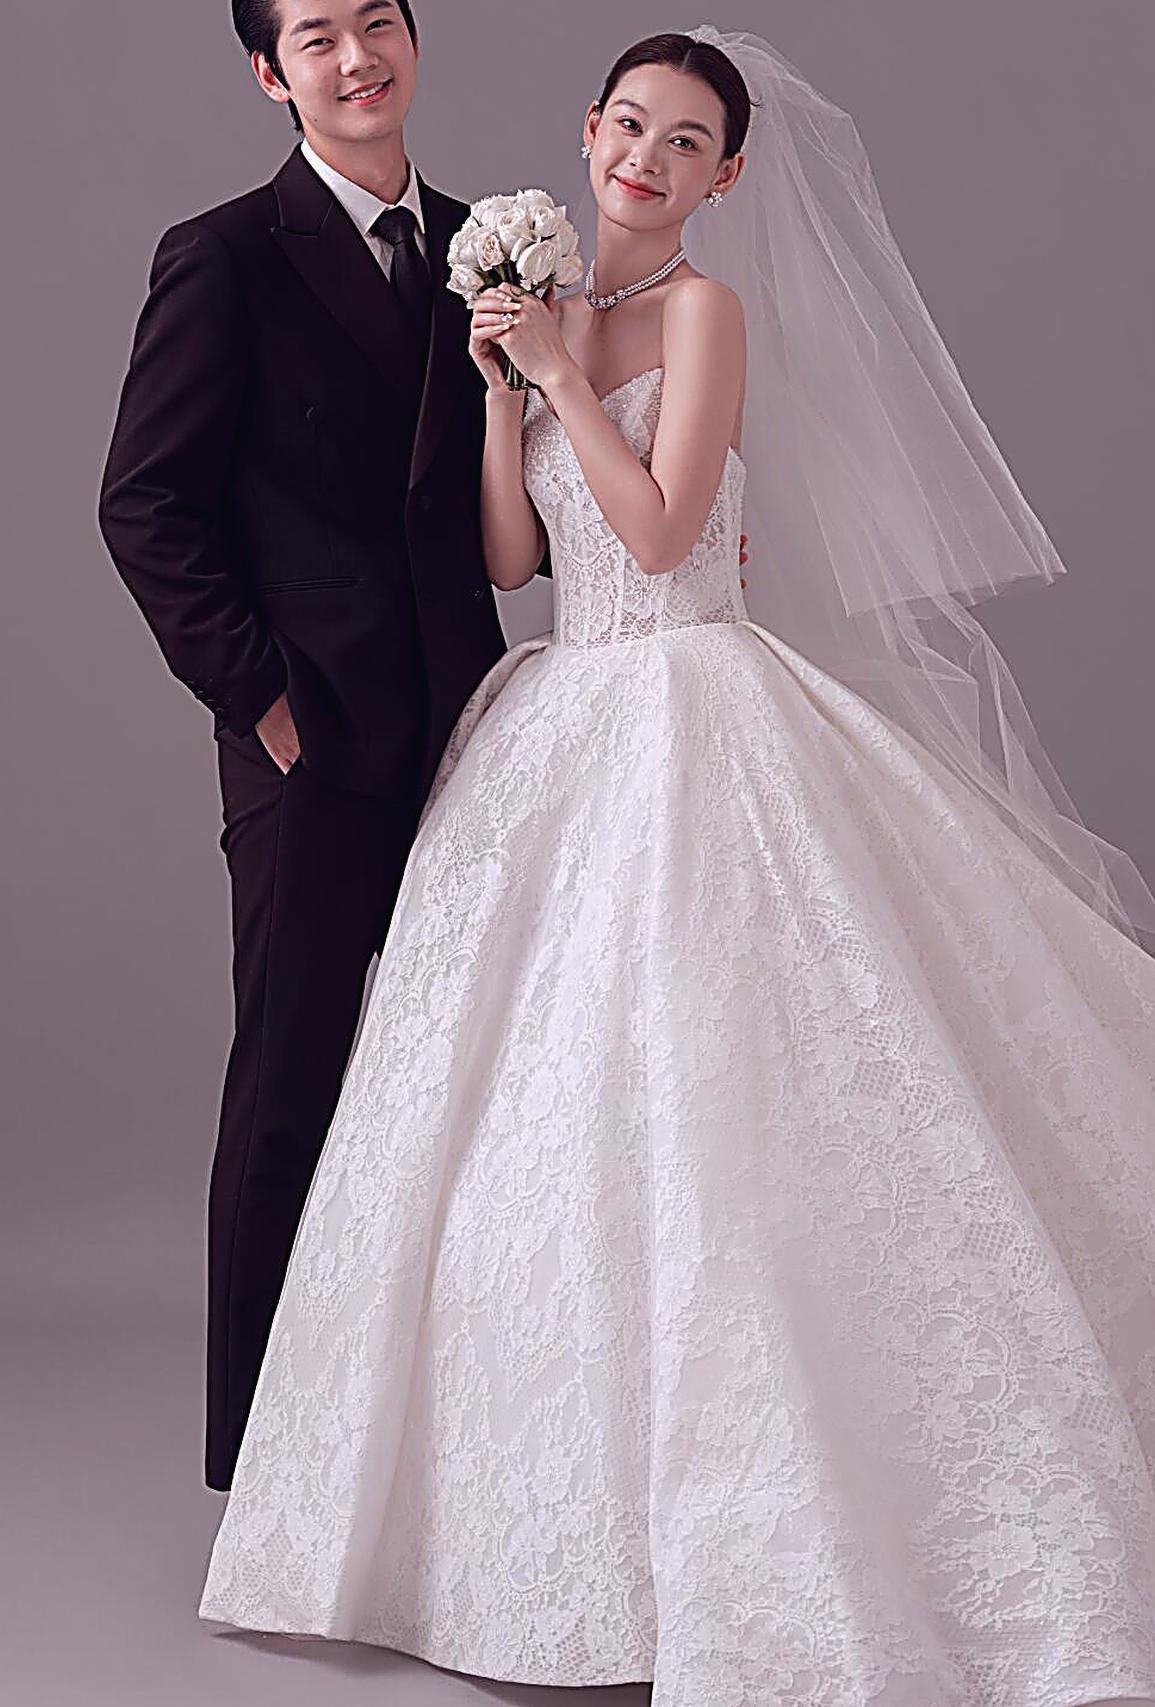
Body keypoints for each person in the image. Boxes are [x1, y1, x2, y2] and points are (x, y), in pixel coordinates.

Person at [197, 28, 1155, 1707]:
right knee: (542, 1106)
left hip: (695, 704)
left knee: (743, 1092)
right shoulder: (548, 308)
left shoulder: (705, 314)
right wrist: (504, 388)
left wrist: (560, 380)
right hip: (562, 715)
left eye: (685, 142)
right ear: (587, 133)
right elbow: (513, 554)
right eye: (628, 126)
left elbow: (659, 531)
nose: (645, 160)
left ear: (727, 175)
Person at [97, 0, 744, 1495]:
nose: (357, 59)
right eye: (317, 37)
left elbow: (526, 511)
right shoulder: (224, 256)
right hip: (312, 742)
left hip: (486, 734)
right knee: (293, 1080)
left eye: (377, 23)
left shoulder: (493, 250)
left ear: (411, 39)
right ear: (272, 75)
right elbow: (145, 507)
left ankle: (437, 1457)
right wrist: (263, 704)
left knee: (468, 1083)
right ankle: (259, 1467)